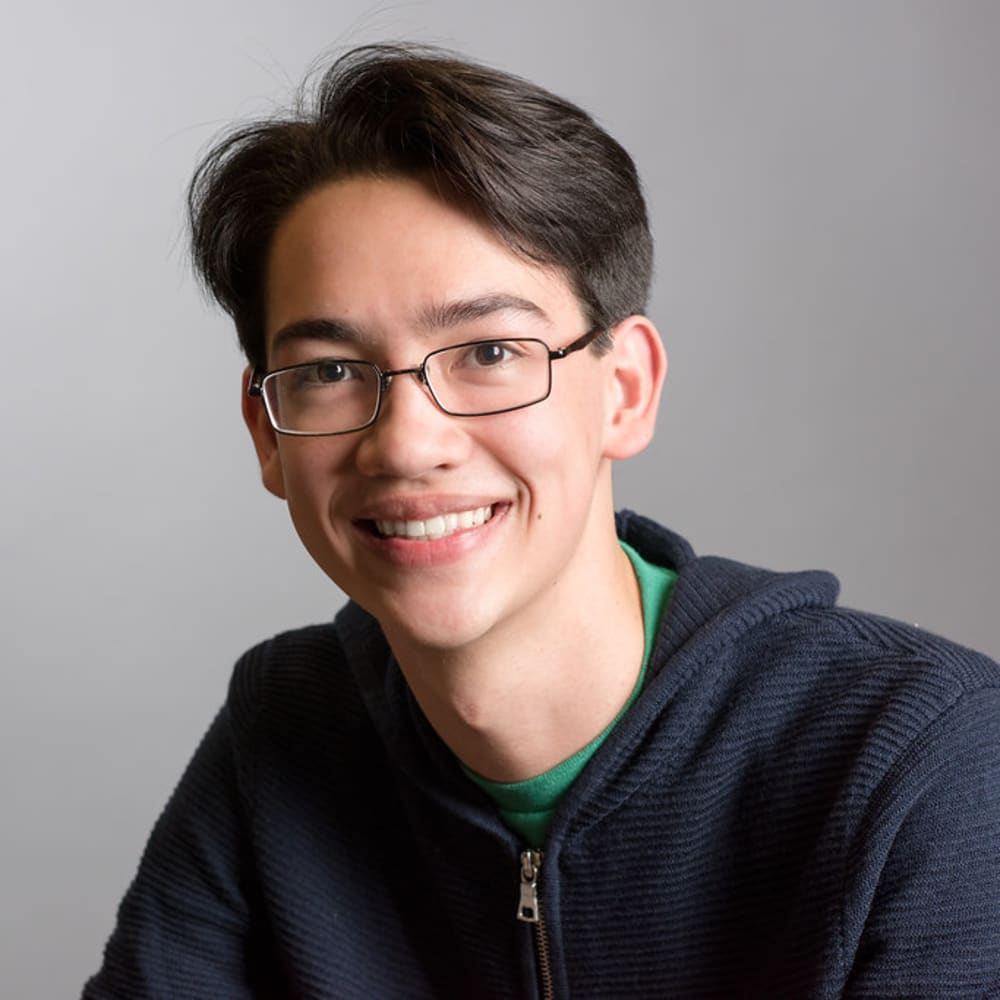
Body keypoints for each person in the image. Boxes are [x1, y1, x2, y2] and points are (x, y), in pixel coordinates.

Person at [84, 44, 1000, 998]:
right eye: (330, 372)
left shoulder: (926, 758)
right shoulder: (284, 730)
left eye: (488, 352)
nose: (407, 445)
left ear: (626, 390)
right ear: (266, 435)